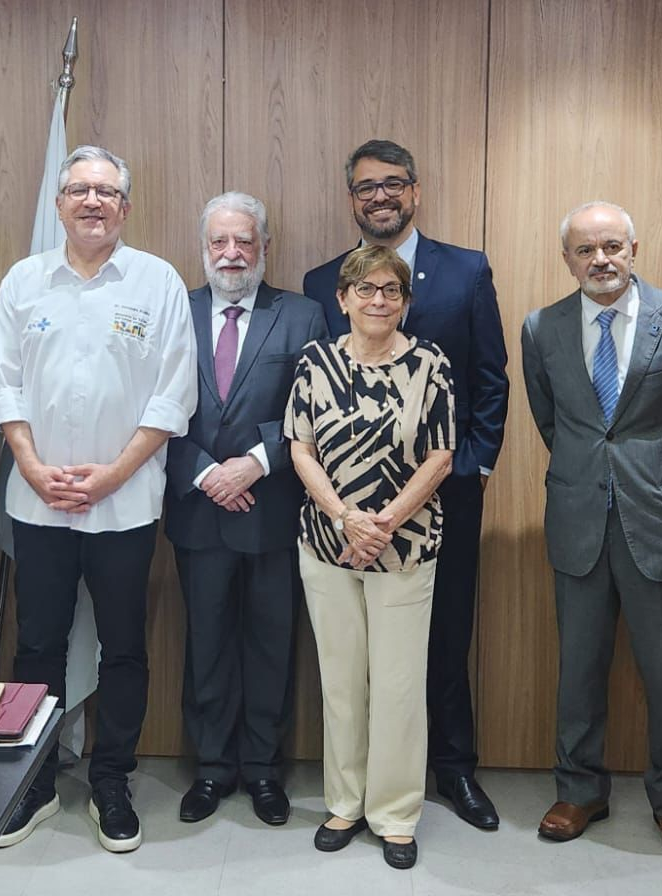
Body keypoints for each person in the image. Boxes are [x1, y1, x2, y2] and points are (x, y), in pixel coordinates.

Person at [0, 145, 197, 853]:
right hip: (38, 497)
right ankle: (38, 782)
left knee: (124, 647)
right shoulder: (23, 281)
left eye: (106, 192)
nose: (92, 202)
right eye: (79, 189)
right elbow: (7, 384)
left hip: (126, 503)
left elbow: (174, 395)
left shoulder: (158, 281)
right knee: (38, 644)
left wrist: (113, 474)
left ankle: (112, 780)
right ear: (59, 204)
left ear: (125, 208)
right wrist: (30, 462)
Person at [302, 139, 508, 829]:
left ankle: (454, 771)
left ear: (415, 191)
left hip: (442, 497)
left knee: (445, 636)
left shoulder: (466, 270)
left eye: (393, 184)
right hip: (343, 513)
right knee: (355, 659)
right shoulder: (319, 281)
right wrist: (345, 508)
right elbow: (309, 395)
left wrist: (473, 463)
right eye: (366, 187)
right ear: (351, 198)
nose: (380, 196)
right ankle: (356, 791)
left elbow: (490, 379)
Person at [523, 201, 662, 860]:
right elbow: (551, 423)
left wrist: (656, 478)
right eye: (586, 250)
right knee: (577, 666)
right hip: (578, 516)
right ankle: (580, 791)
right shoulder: (540, 327)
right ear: (568, 259)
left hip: (660, 519)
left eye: (612, 246)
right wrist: (592, 473)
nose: (600, 259)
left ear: (634, 247)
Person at [287, 245, 454, 870]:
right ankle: (345, 803)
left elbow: (441, 454)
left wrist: (384, 522)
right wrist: (345, 517)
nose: (378, 300)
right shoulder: (315, 361)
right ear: (343, 298)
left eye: (391, 290)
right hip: (328, 544)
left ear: (405, 301)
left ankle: (395, 813)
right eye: (366, 289)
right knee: (341, 682)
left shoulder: (430, 364)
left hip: (405, 547)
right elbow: (300, 447)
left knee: (398, 685)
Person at [165, 192, 326, 826]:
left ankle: (262, 770)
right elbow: (152, 407)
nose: (232, 254)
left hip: (273, 508)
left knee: (269, 644)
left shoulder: (304, 314)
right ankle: (211, 768)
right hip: (199, 507)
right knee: (205, 642)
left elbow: (312, 409)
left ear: (265, 247)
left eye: (244, 242)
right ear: (203, 248)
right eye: (219, 243)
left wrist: (256, 462)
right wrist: (206, 472)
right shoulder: (174, 310)